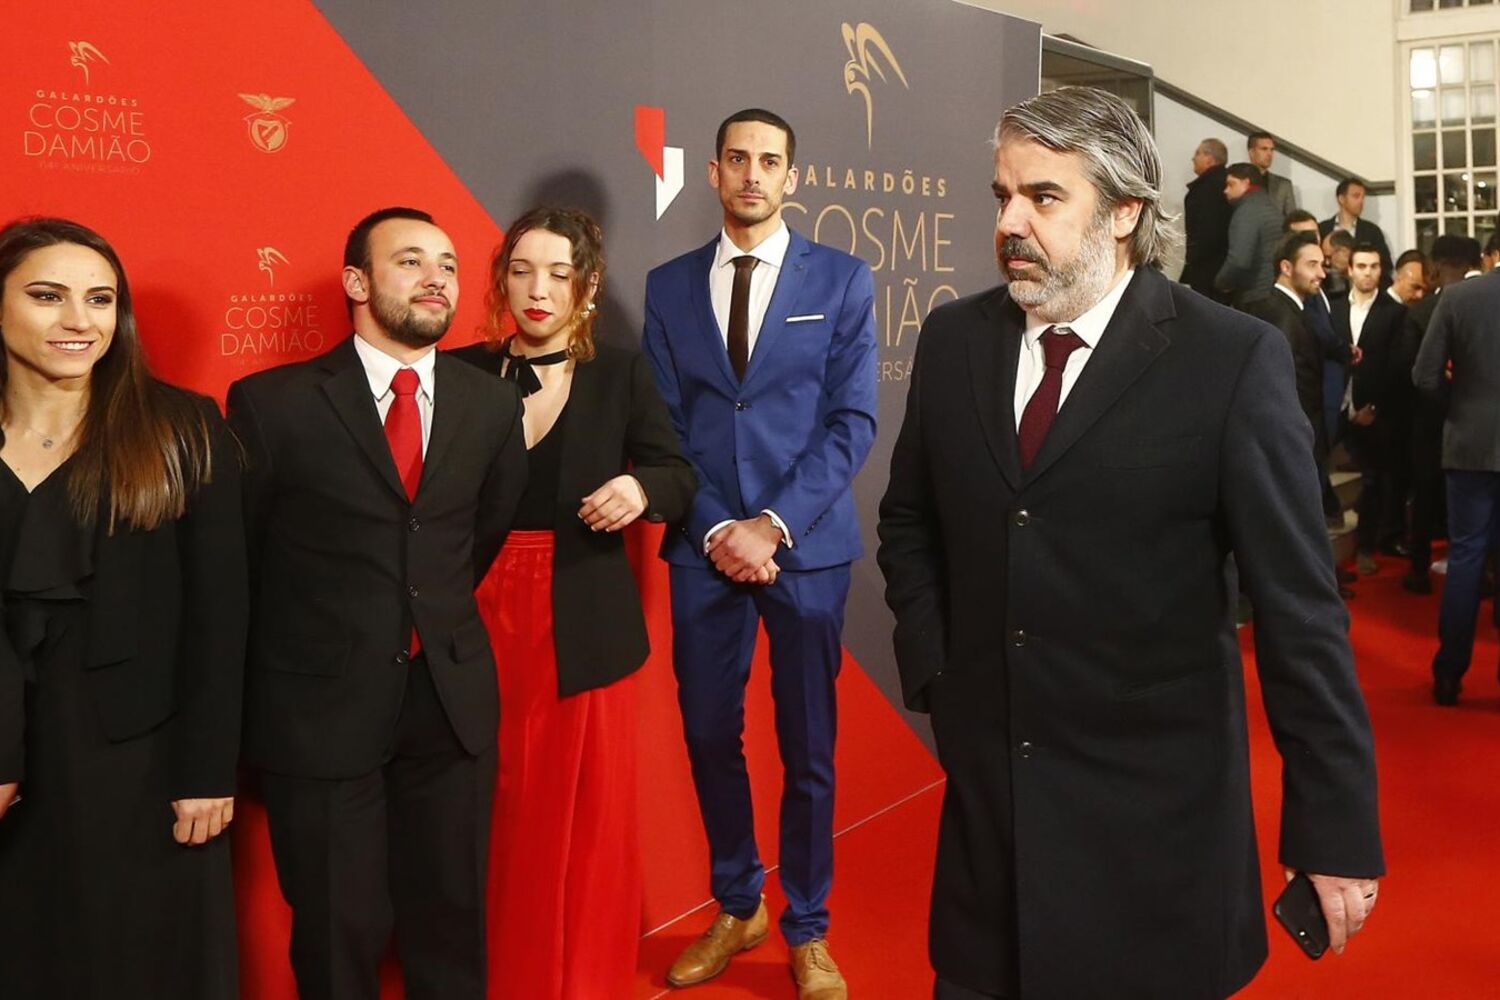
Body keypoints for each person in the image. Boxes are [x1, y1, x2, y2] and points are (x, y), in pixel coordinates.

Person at [877, 87, 1383, 1000]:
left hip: (1156, 832)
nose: (1010, 223)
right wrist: (940, 674)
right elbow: (909, 520)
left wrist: (1334, 827)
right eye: (1003, 196)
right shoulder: (954, 340)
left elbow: (1299, 608)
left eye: (1044, 196)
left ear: (1124, 214)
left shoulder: (1228, 358)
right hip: (992, 828)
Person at [227, 207, 527, 1000]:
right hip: (319, 712)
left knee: (450, 929)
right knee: (338, 933)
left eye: (448, 265)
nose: (436, 278)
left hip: (449, 706)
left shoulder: (492, 406)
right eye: (410, 261)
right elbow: (241, 566)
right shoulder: (272, 405)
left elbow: (476, 537)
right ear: (357, 282)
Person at [642, 107, 877, 1000]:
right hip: (703, 546)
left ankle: (807, 927)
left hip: (805, 547)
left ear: (792, 177)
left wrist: (771, 525)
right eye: (737, 158)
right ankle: (738, 905)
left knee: (808, 746)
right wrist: (717, 528)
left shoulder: (844, 278)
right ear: (713, 172)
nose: (752, 174)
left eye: (769, 161)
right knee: (709, 733)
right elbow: (664, 428)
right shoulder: (668, 285)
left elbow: (852, 422)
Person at [450, 207, 695, 998]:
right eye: (521, 271)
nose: (538, 290)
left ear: (586, 288)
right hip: (471, 616)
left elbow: (678, 475)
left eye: (558, 274)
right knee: (486, 804)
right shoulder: (458, 372)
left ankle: (577, 978)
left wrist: (639, 488)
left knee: (579, 816)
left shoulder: (620, 375)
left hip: (580, 620)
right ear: (501, 280)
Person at [0, 217, 246, 997]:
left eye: (100, 299)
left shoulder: (181, 427)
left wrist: (207, 769)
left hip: (140, 756)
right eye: (48, 296)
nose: (79, 320)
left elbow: (221, 615)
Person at [1412, 255, 1500, 706]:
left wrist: (1459, 406)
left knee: (1465, 557)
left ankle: (1448, 673)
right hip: (1472, 443)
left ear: (1491, 255)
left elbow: (1424, 376)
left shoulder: (1459, 297)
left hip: (1468, 442)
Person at [1399, 236, 1481, 595]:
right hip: (1473, 422)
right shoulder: (1483, 305)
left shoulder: (1420, 311)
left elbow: (1410, 372)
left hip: (1430, 419)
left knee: (1425, 495)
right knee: (1477, 508)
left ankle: (1418, 570)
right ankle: (1481, 575)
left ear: (1435, 266)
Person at [1333, 243, 1408, 573]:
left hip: (1375, 411)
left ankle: (1366, 546)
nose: (1368, 272)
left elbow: (1398, 366)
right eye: (1361, 266)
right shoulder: (1333, 307)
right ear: (1349, 269)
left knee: (1373, 479)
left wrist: (1374, 407)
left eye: (1374, 266)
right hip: (1336, 405)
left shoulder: (1395, 312)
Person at [1215, 162, 1282, 308]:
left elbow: (1239, 261)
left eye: (1231, 184)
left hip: (1253, 293)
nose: (1226, 190)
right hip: (1273, 290)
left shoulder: (1246, 213)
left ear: (1246, 183)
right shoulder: (1271, 206)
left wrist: (1221, 283)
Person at [1181, 138, 1231, 301]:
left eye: (1198, 153)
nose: (1193, 158)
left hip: (1208, 270)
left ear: (1210, 159)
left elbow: (1207, 232)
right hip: (1220, 266)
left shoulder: (1207, 188)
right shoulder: (1225, 183)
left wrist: (1194, 259)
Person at [1319, 177, 1393, 282]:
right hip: (1329, 286)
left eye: (1363, 197)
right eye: (1356, 196)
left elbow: (1386, 265)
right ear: (1341, 199)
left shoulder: (1372, 231)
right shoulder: (1322, 229)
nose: (1361, 201)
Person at [1247, 130, 1297, 218]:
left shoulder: (1284, 185)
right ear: (1251, 152)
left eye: (1272, 150)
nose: (1269, 154)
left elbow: (1292, 219)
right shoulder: (1237, 180)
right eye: (1264, 149)